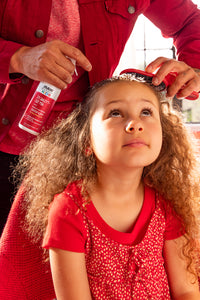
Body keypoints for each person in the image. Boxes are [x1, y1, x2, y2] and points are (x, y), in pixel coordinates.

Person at [0, 0, 200, 234]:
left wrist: (194, 68)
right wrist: (19, 58)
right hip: (7, 146)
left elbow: (189, 23)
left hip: (83, 154)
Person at [11, 74, 200, 299]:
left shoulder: (167, 201)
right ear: (86, 141)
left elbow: (187, 290)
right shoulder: (69, 210)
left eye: (146, 112)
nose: (135, 124)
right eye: (115, 113)